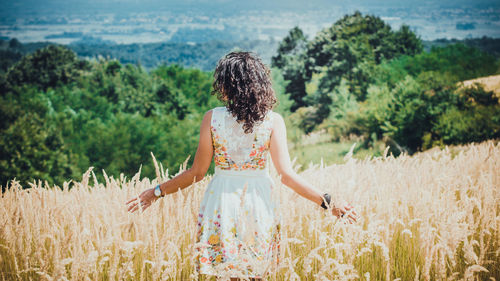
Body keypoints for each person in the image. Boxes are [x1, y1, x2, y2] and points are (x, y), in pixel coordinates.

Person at [126, 52, 357, 280]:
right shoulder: (273, 121)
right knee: (256, 273)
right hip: (260, 205)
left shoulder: (212, 118)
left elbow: (196, 173)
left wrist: (155, 192)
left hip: (220, 204)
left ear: (228, 85)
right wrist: (329, 202)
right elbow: (287, 176)